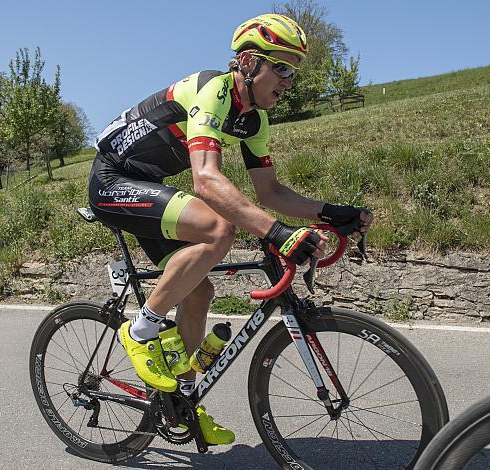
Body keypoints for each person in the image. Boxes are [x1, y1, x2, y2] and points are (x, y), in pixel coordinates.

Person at [88, 13, 373, 446]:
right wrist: (278, 234)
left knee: (199, 291)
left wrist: (333, 212)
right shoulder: (213, 89)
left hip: (146, 187)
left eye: (293, 71)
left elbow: (271, 191)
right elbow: (206, 181)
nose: (288, 81)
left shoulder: (253, 119)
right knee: (218, 228)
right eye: (282, 67)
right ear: (247, 62)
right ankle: (141, 329)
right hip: (111, 182)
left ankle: (182, 401)